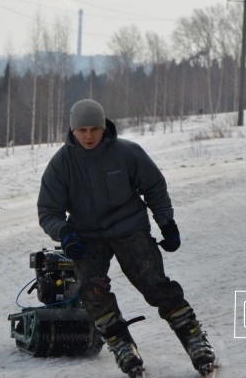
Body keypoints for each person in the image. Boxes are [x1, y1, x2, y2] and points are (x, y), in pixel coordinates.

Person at [37, 99, 216, 377]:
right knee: (91, 290)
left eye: (94, 129)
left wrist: (166, 222)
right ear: (72, 131)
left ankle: (193, 337)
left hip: (129, 227)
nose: (88, 136)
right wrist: (64, 232)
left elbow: (154, 187)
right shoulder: (61, 164)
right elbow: (48, 210)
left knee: (153, 283)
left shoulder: (127, 153)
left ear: (103, 128)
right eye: (82, 130)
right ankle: (121, 343)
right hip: (87, 235)